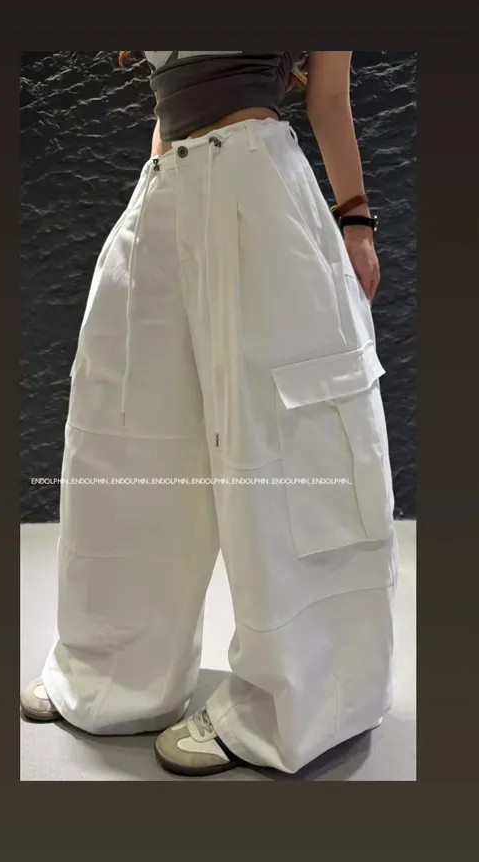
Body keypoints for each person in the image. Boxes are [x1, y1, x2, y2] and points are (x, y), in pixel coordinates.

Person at [21, 51, 398, 777]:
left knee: (285, 446)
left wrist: (356, 222)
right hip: (165, 185)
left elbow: (328, 94)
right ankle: (112, 672)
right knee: (124, 433)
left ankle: (295, 703)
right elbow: (169, 101)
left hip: (258, 187)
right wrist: (160, 191)